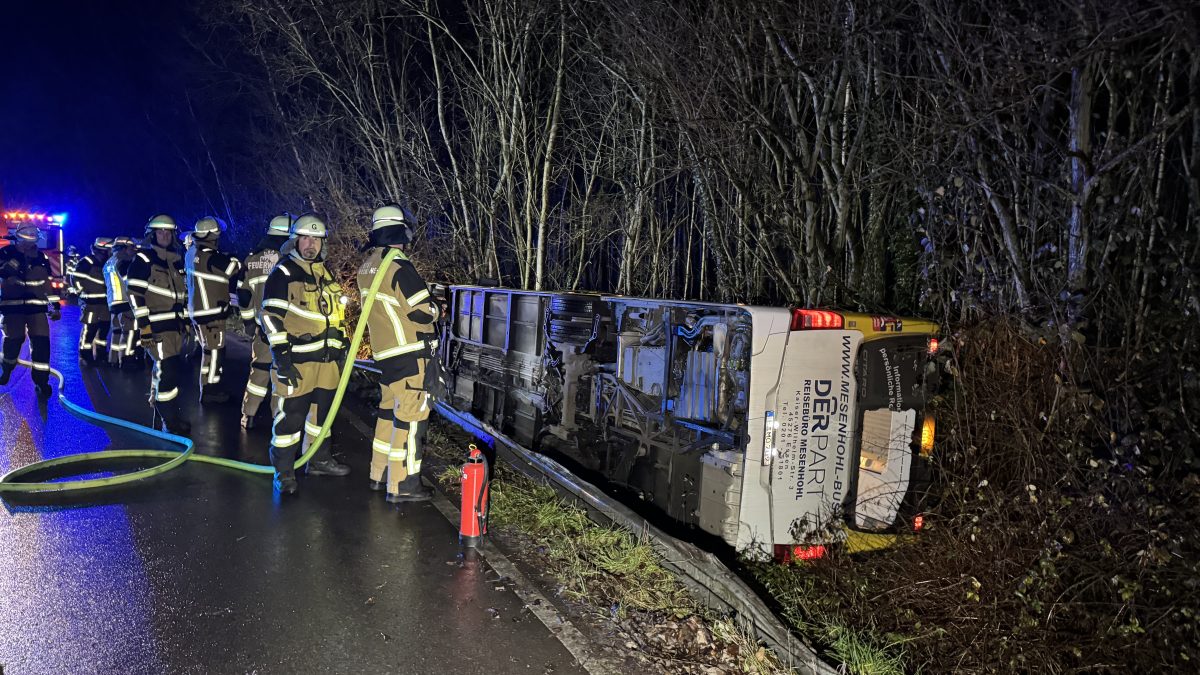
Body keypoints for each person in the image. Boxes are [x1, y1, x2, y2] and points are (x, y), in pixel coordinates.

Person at [261, 214, 351, 494]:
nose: (310, 244)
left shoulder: (326, 273)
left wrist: (343, 345)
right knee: (291, 418)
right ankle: (284, 473)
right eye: (305, 238)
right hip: (297, 363)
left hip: (327, 362)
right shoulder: (283, 273)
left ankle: (319, 459)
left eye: (315, 239)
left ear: (322, 243)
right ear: (295, 241)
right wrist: (281, 358)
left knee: (322, 416)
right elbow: (269, 317)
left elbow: (336, 315)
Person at [357, 204, 439, 502]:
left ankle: (379, 475)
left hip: (386, 356)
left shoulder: (367, 266)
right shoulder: (400, 266)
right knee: (412, 417)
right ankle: (403, 484)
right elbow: (421, 312)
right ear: (401, 231)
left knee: (388, 415)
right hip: (410, 355)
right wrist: (437, 306)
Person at [127, 214, 190, 434]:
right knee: (169, 371)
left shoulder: (176, 261)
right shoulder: (144, 260)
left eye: (168, 231)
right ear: (152, 234)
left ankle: (162, 413)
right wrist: (144, 326)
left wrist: (185, 323)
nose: (164, 235)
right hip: (155, 327)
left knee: (167, 371)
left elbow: (182, 296)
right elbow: (134, 294)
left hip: (174, 327)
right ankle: (169, 421)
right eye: (159, 231)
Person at [239, 213, 292, 429]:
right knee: (281, 374)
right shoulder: (288, 259)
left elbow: (243, 294)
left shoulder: (252, 259)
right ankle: (278, 419)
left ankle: (248, 415)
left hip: (261, 328)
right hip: (283, 327)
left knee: (259, 371)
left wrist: (249, 322)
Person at [185, 216, 242, 404]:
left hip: (198, 311)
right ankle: (211, 389)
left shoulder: (192, 252)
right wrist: (232, 257)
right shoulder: (209, 255)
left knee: (208, 351)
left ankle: (206, 384)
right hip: (211, 313)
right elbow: (233, 268)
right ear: (213, 236)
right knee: (216, 352)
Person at [0, 226, 61, 396]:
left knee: (41, 343)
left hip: (37, 308)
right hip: (13, 307)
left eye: (33, 239)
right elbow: (4, 272)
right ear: (18, 238)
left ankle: (42, 382)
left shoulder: (41, 257)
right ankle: (6, 369)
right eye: (27, 239)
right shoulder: (6, 253)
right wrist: (20, 257)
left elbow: (47, 284)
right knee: (14, 339)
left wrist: (55, 306)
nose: (31, 243)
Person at [70, 236, 114, 365]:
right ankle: (85, 355)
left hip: (105, 303)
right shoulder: (87, 262)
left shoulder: (108, 263)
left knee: (104, 330)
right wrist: (81, 292)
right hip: (90, 303)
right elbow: (76, 278)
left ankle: (101, 354)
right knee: (90, 329)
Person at [104, 236, 139, 368]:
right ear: (124, 248)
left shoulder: (109, 263)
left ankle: (113, 359)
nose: (134, 250)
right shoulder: (123, 262)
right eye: (131, 247)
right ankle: (126, 358)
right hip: (126, 303)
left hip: (113, 304)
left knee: (117, 333)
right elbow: (129, 282)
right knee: (129, 333)